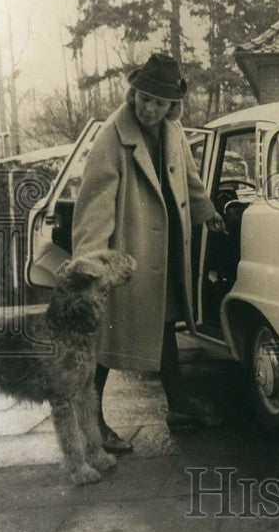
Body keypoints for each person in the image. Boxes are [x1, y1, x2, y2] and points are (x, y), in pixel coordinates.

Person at [72, 53, 227, 452]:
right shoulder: (112, 135)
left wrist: (207, 211)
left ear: (172, 106)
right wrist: (93, 257)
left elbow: (189, 178)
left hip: (165, 246)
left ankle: (178, 406)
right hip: (131, 248)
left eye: (158, 102)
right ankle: (90, 420)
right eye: (143, 98)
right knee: (110, 335)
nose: (148, 107)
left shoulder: (173, 133)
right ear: (133, 93)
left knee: (162, 324)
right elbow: (96, 201)